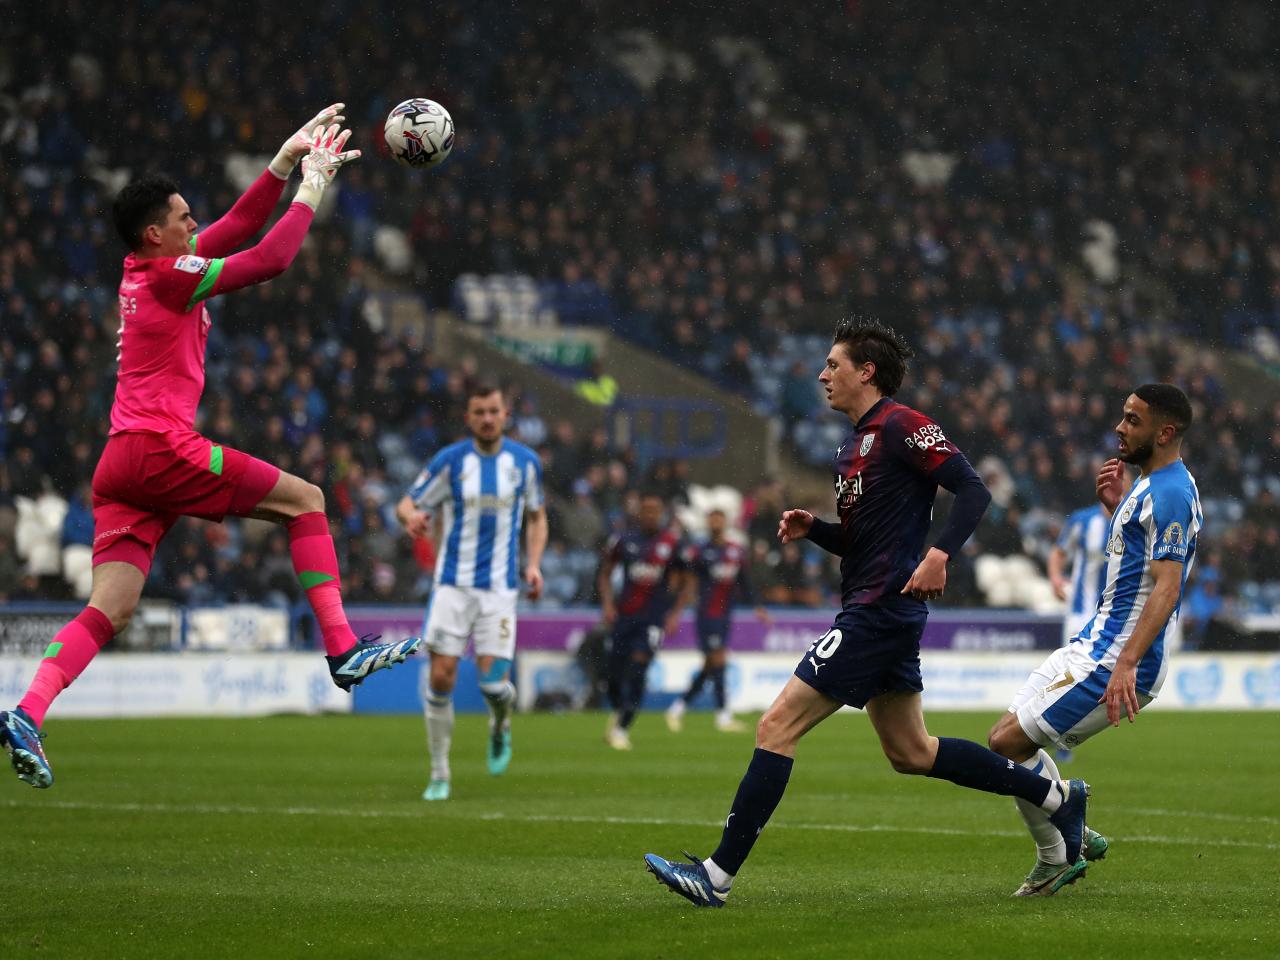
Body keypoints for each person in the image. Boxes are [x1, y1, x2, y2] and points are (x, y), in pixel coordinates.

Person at [0, 105, 422, 790]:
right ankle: (343, 650)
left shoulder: (148, 273)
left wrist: (283, 163)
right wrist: (313, 185)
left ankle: (27, 711)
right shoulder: (168, 278)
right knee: (306, 501)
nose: (196, 224)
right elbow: (270, 257)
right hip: (161, 448)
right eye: (184, 217)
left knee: (111, 607)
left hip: (120, 465)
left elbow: (234, 229)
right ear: (153, 232)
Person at [643, 317, 1087, 908]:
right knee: (912, 752)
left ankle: (716, 876)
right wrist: (818, 531)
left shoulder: (904, 424)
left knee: (776, 727)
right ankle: (1058, 800)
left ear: (865, 372)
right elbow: (865, 542)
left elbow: (973, 489)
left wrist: (938, 555)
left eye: (833, 364)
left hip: (879, 613)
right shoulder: (850, 447)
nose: (822, 374)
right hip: (876, 607)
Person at [987, 384, 1202, 896]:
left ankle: (1060, 844)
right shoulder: (1149, 487)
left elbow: (1167, 587)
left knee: (1007, 744)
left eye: (1132, 420)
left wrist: (1127, 662)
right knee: (1008, 738)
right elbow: (1139, 567)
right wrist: (1115, 508)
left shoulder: (1170, 490)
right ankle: (1068, 831)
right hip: (1093, 643)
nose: (1119, 428)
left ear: (1164, 432)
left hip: (1117, 658)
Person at [395, 383, 547, 802]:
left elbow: (537, 517)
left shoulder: (525, 463)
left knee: (494, 686)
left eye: (493, 411)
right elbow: (406, 502)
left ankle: (500, 724)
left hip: (500, 590)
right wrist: (411, 518)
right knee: (441, 675)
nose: (486, 418)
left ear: (505, 415)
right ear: (468, 417)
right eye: (479, 411)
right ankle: (440, 772)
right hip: (452, 586)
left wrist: (533, 564)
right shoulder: (451, 461)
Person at [597, 492, 693, 750]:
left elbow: (687, 580)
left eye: (655, 510)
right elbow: (605, 573)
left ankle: (622, 728)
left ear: (661, 513)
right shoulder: (623, 540)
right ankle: (620, 711)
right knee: (613, 675)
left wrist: (674, 614)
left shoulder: (672, 543)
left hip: (652, 619)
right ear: (639, 512)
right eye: (646, 510)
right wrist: (607, 605)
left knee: (639, 669)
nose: (651, 515)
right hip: (624, 616)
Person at [666, 508, 771, 733]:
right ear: (707, 522)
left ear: (726, 522)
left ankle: (677, 708)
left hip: (724, 615)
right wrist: (677, 612)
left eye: (719, 518)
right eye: (712, 518)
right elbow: (690, 583)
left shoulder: (736, 552)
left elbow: (745, 582)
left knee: (709, 666)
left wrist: (758, 607)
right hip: (706, 615)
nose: (715, 522)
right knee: (719, 661)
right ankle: (723, 717)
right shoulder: (700, 552)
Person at [1046, 502, 1109, 763]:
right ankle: (1055, 735)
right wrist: (1055, 579)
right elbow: (1059, 552)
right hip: (1080, 613)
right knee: (1066, 675)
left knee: (1095, 679)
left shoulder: (1134, 517)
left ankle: (1064, 733)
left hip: (1112, 615)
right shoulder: (1084, 519)